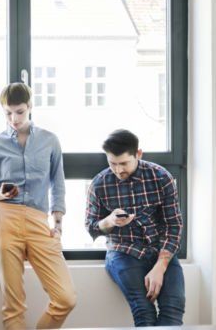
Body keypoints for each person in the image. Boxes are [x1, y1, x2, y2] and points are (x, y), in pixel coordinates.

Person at [0, 82, 76, 330]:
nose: (14, 118)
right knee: (13, 306)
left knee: (65, 298)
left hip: (38, 219)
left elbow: (58, 184)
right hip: (5, 219)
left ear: (30, 107)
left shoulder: (50, 141)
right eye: (8, 113)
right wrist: (0, 194)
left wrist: (58, 224)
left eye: (19, 111)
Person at [85, 129, 185, 326]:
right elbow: (91, 227)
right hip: (123, 251)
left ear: (138, 154)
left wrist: (160, 266)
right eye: (112, 163)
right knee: (144, 311)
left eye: (124, 163)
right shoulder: (99, 184)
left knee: (173, 309)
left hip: (160, 250)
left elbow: (173, 225)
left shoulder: (161, 177)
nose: (118, 170)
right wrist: (110, 221)